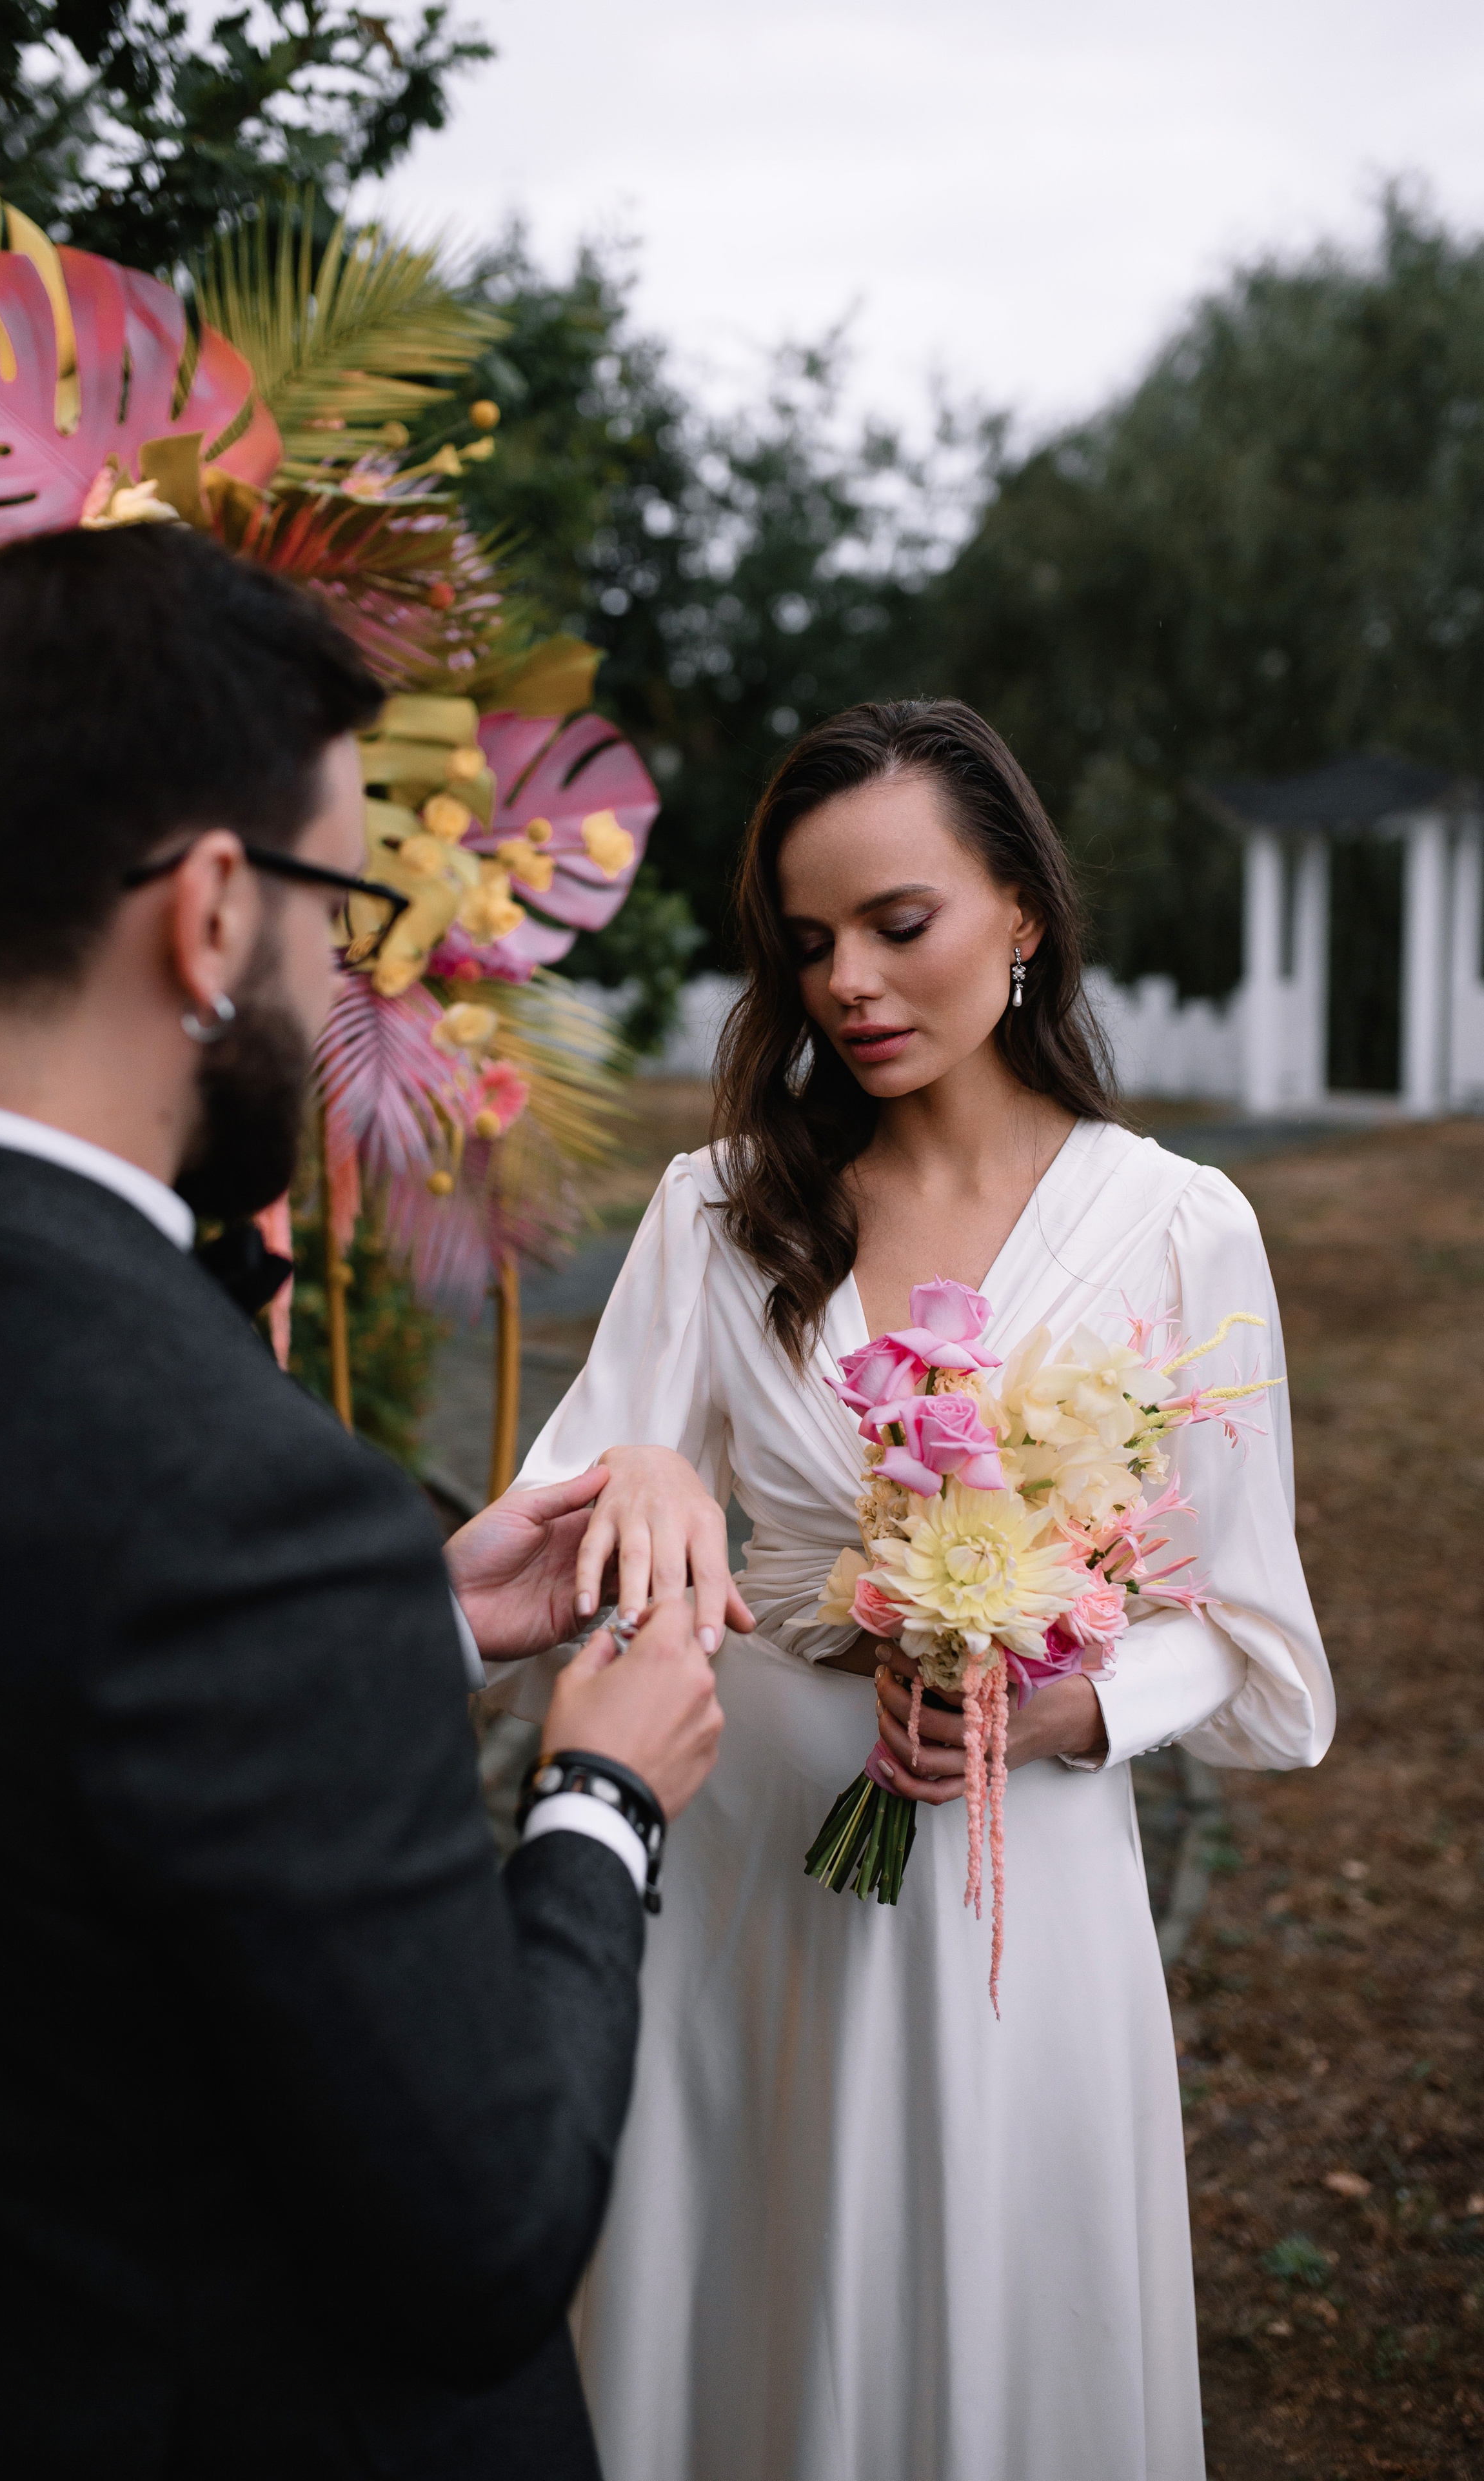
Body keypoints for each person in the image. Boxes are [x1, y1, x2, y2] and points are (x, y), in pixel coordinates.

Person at [0, 524, 733, 2481]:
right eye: (332, 901)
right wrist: (602, 1801)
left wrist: (403, 1628)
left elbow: (11, 1749)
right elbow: (480, 2233)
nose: (337, 976)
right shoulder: (241, 1502)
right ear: (214, 909)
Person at [482, 700, 1335, 2481]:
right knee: (744, 2322)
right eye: (806, 946)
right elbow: (551, 1546)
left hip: (1017, 1902)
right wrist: (638, 1470)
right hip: (748, 1878)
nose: (849, 983)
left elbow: (1259, 1660)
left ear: (1021, 912)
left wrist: (1064, 1704)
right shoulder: (720, 1213)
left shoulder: (1183, 1228)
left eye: (898, 924)